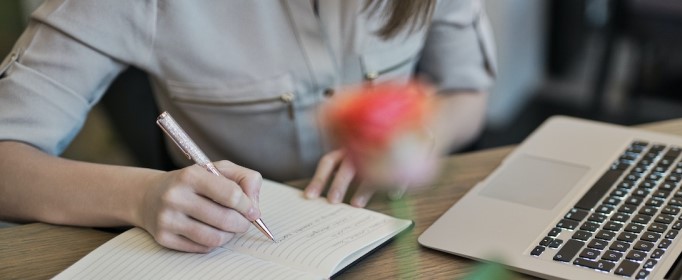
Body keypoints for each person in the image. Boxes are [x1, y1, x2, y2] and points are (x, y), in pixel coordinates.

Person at [0, 0, 496, 253]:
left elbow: (468, 92)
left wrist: (420, 139)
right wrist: (139, 197)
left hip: (398, 230)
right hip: (232, 250)